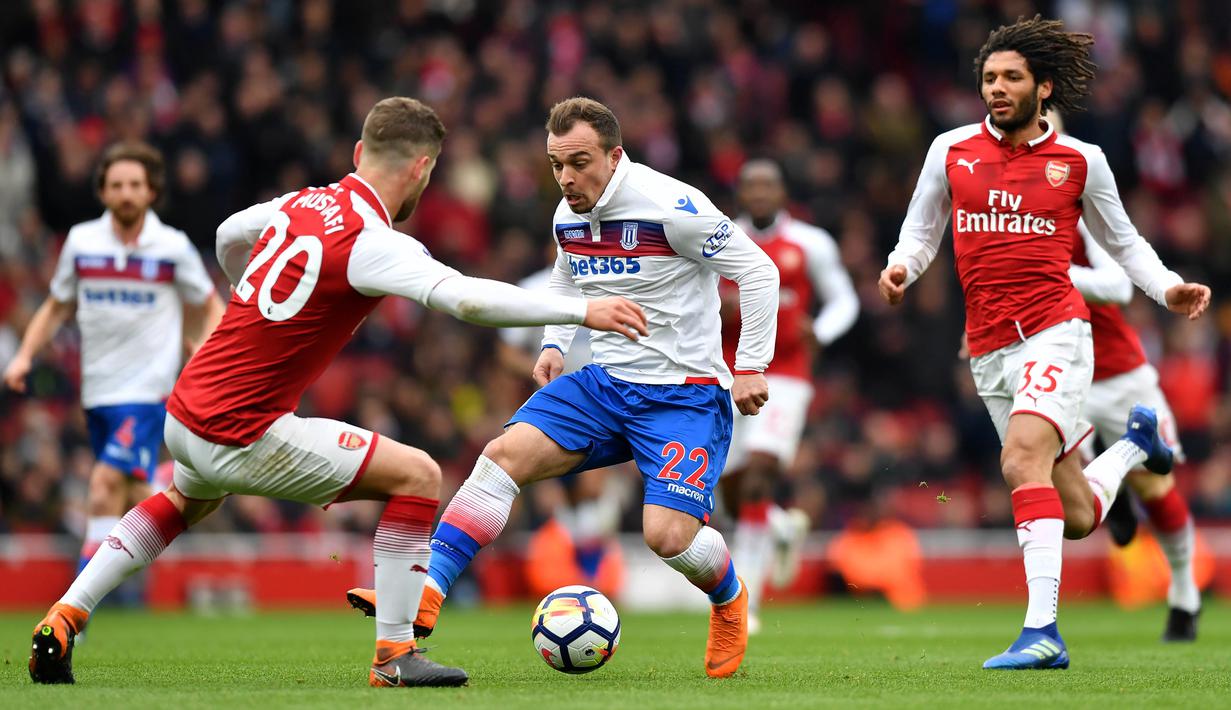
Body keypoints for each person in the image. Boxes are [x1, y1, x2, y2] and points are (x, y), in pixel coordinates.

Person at [27, 97, 648, 689]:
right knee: (419, 474)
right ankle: (396, 653)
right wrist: (582, 310)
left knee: (186, 499)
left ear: (358, 152)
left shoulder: (302, 204)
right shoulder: (374, 243)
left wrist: (253, 296)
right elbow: (464, 297)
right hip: (242, 427)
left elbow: (225, 234)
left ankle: (65, 615)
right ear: (422, 168)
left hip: (187, 409)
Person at [348, 96, 779, 678]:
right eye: (556, 165)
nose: (567, 178)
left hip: (684, 392)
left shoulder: (672, 206)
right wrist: (552, 342)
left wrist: (751, 363)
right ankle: (426, 594)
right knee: (501, 457)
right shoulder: (568, 213)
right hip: (604, 386)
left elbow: (757, 271)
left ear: (614, 155)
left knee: (668, 536)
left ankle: (728, 598)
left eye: (579, 162)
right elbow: (565, 274)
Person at [879, 16, 1211, 670]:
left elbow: (1124, 244)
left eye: (1010, 78)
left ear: (1043, 87)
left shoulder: (1080, 161)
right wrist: (899, 268)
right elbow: (920, 233)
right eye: (988, 78)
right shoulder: (949, 149)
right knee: (1078, 515)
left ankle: (1041, 632)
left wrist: (1167, 288)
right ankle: (1133, 448)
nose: (995, 88)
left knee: (1019, 462)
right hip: (987, 346)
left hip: (1055, 332)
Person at [3, 141, 223, 588]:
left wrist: (212, 356)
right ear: (103, 191)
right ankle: (173, 484)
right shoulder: (82, 243)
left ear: (151, 192)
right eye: (117, 185)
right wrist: (25, 355)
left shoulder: (171, 247)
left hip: (148, 390)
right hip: (99, 391)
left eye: (135, 185)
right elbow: (56, 306)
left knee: (102, 484)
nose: (126, 193)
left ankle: (74, 611)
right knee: (132, 496)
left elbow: (209, 303)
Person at [717, 159, 859, 634]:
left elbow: (845, 299)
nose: (759, 193)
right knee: (732, 496)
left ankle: (745, 603)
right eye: (751, 186)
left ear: (782, 193)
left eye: (768, 185)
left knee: (758, 478)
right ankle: (780, 528)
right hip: (727, 376)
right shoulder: (717, 239)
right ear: (741, 194)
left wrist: (818, 330)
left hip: (786, 377)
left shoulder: (810, 243)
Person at [1069, 222, 1201, 641]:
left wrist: (1046, 271)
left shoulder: (1077, 211)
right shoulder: (1001, 217)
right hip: (1063, 375)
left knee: (1157, 488)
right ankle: (1116, 489)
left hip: (1120, 372)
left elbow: (1117, 286)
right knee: (1064, 484)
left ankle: (1185, 594)